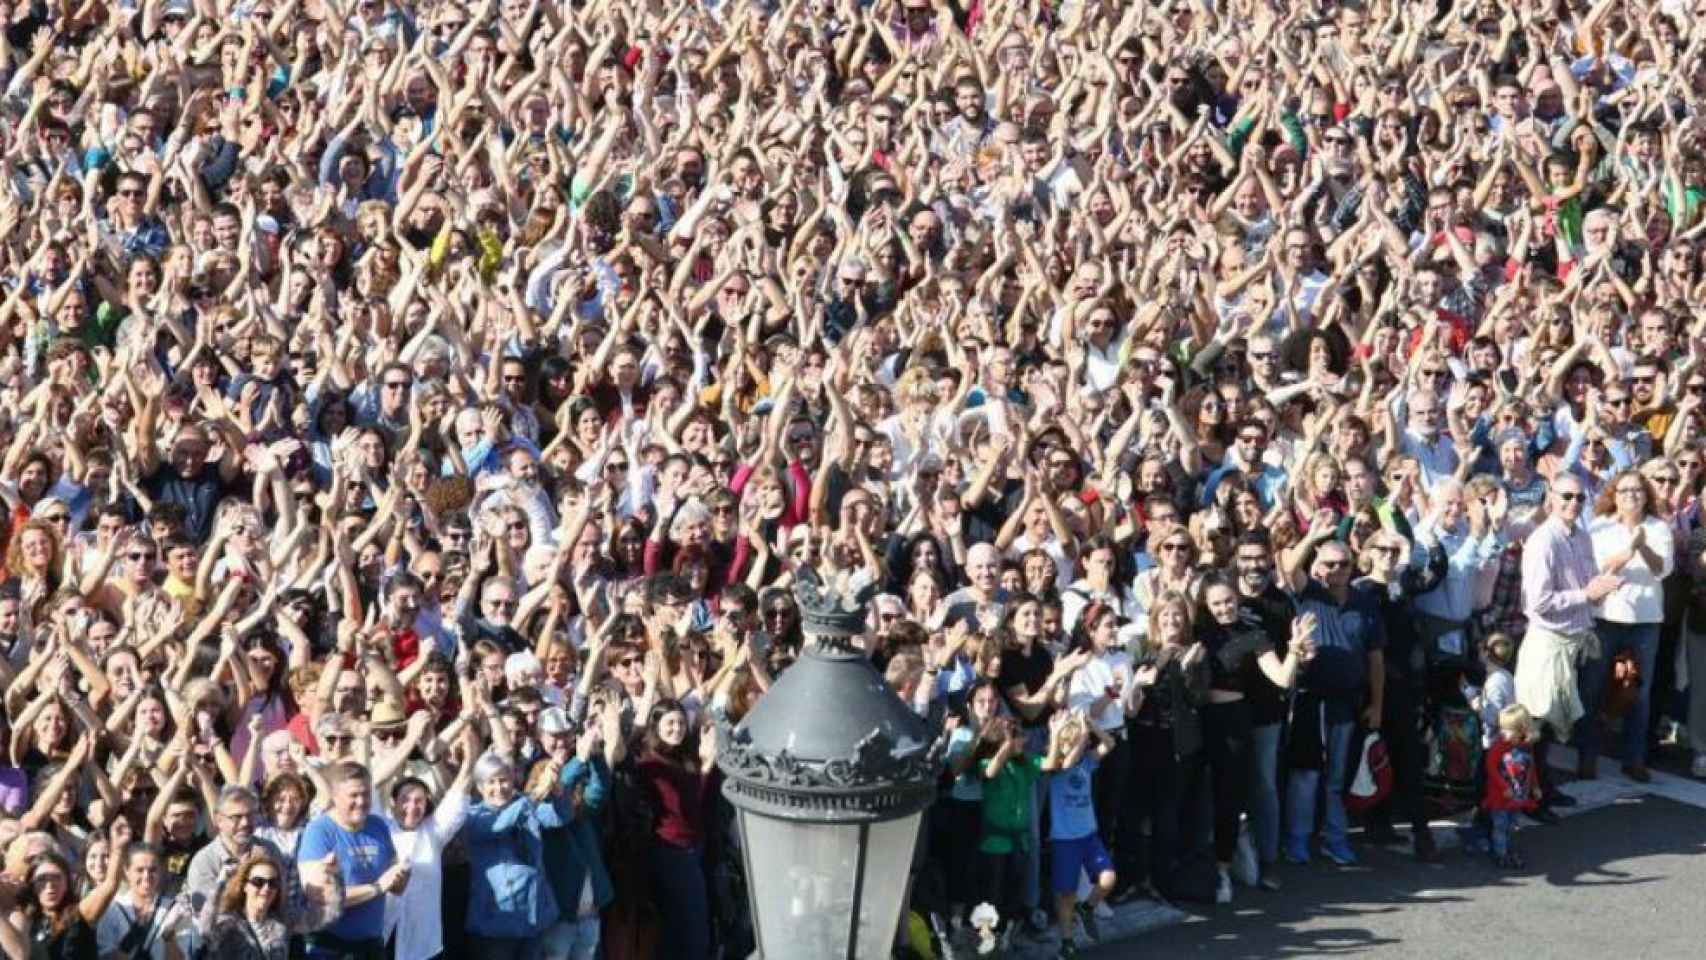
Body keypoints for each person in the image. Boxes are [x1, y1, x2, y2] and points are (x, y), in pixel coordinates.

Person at [1517, 476, 1622, 818]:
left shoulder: (1582, 535)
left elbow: (1588, 583)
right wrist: (1586, 595)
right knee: (1537, 723)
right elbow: (1539, 602)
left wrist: (1604, 583)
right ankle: (1532, 798)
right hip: (1548, 643)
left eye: (1579, 497)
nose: (1574, 503)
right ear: (1551, 497)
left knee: (1551, 726)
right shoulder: (1542, 541)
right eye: (1567, 496)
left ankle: (1543, 789)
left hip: (1571, 643)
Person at [1581, 470, 1673, 782]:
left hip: (1646, 620)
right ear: (1614, 495)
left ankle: (1634, 759)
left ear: (1646, 495)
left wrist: (1644, 547)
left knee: (1639, 693)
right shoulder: (1600, 526)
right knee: (1592, 688)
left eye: (1637, 490)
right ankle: (1587, 756)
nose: (1631, 495)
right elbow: (1598, 568)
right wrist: (1629, 551)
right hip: (1605, 617)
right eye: (1624, 491)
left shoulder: (1659, 527)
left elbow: (1662, 569)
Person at [295, 764, 408, 960]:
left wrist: (402, 876)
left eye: (366, 794)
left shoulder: (378, 825)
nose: (361, 801)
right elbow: (318, 896)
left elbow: (395, 886)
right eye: (353, 795)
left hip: (371, 946)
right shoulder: (319, 831)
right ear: (335, 796)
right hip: (329, 947)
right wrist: (377, 887)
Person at [1040, 710, 1115, 959]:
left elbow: (1109, 743)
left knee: (1108, 879)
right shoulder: (1056, 768)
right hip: (1064, 841)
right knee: (1066, 894)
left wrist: (1091, 725)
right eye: (1070, 744)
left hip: (1088, 837)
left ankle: (1087, 908)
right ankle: (1067, 941)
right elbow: (1068, 760)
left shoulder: (1086, 762)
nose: (1078, 748)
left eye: (1079, 744)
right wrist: (1063, 734)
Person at [195, 848, 345, 960]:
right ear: (245, 886)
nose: (266, 889)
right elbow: (205, 929)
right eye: (258, 882)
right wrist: (221, 883)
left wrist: (335, 876)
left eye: (273, 883)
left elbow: (329, 915)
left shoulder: (283, 920)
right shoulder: (227, 922)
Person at [1483, 706, 1543, 870]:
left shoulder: (1525, 746)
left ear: (1521, 729)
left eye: (1508, 729)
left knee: (1512, 826)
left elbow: (1531, 767)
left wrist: (1535, 786)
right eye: (1502, 728)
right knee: (1500, 825)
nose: (1504, 733)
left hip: (1517, 795)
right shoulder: (1499, 746)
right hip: (1500, 796)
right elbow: (1491, 767)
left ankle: (1509, 851)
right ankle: (1500, 854)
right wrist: (1503, 787)